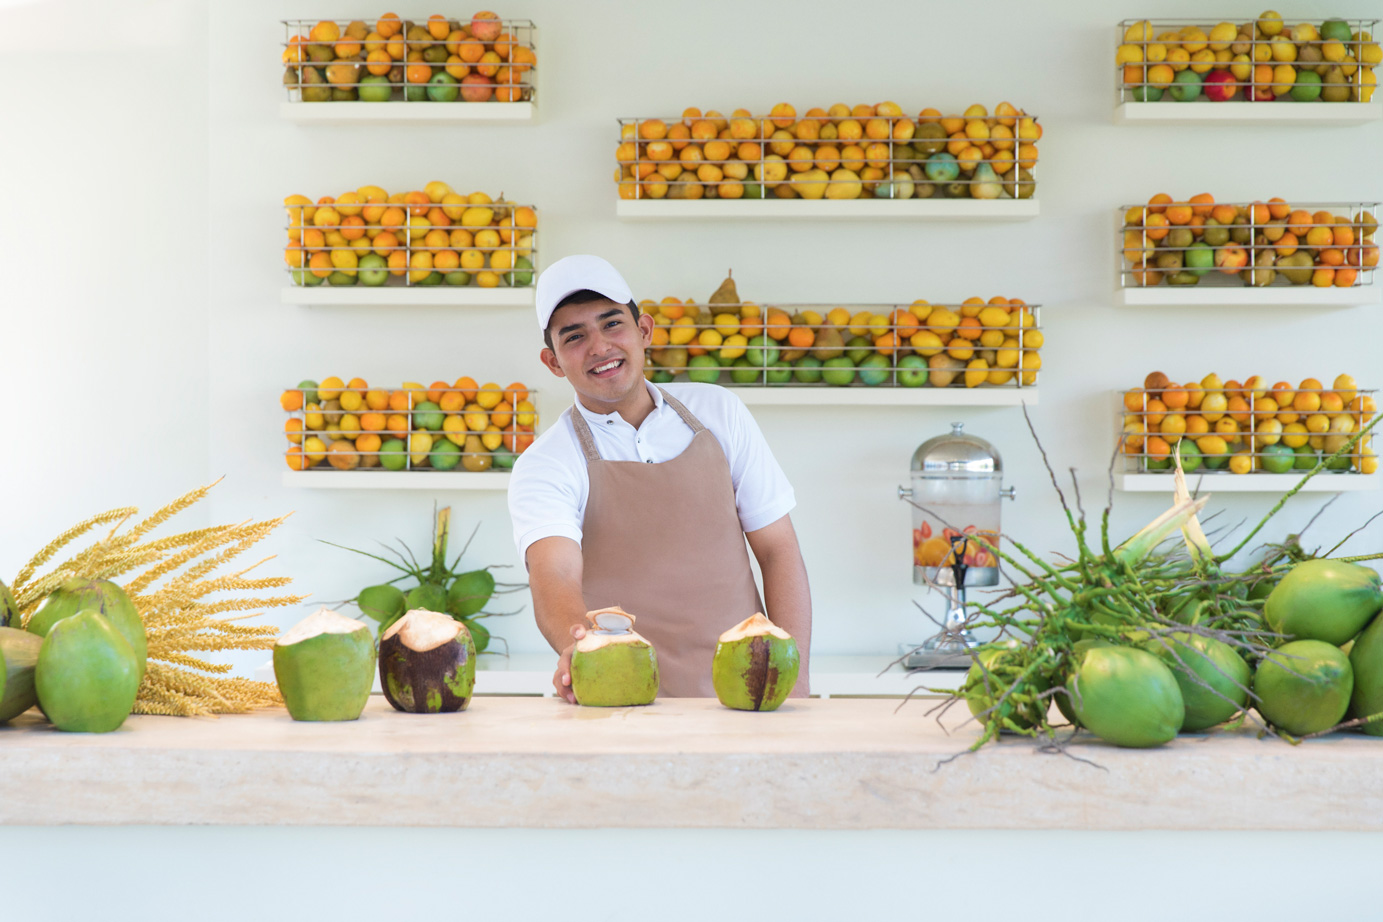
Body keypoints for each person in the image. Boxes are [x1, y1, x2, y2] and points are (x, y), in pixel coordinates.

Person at [508, 254, 812, 702]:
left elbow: (778, 548)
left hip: (747, 695)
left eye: (612, 324)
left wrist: (795, 680)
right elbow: (553, 572)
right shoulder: (546, 462)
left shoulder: (719, 413)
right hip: (618, 699)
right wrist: (577, 645)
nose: (599, 347)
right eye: (575, 337)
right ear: (553, 362)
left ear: (644, 330)